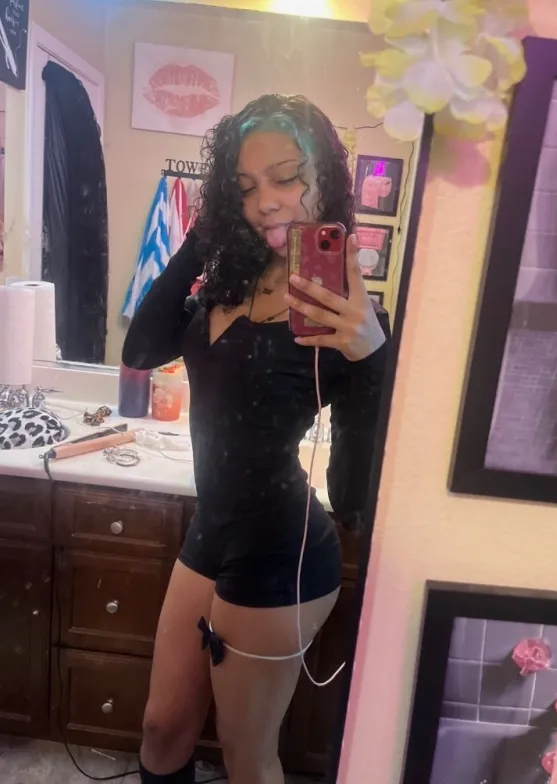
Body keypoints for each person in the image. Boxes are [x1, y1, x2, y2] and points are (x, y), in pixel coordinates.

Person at [122, 94, 391, 784]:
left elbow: (354, 494)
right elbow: (142, 349)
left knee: (247, 757)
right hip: (211, 532)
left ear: (325, 181)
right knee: (161, 730)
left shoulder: (343, 310)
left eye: (286, 177)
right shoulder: (226, 280)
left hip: (282, 549)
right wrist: (201, 236)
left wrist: (371, 359)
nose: (265, 202)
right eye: (244, 187)